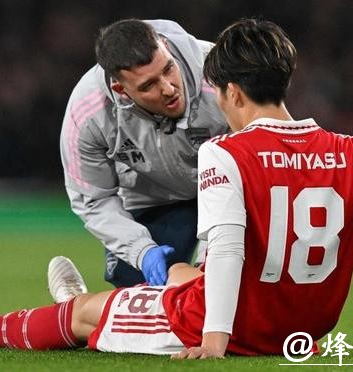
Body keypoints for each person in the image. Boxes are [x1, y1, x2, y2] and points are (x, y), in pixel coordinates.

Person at [0, 18, 353, 359]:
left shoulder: (225, 150)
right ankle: (109, 301)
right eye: (148, 83)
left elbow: (226, 252)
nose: (172, 87)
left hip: (238, 326)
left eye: (172, 73)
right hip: (302, 331)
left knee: (84, 317)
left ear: (230, 91)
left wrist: (214, 341)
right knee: (177, 274)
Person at [59, 19, 229, 288]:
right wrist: (142, 251)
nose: (169, 88)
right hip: (151, 198)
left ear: (165, 46)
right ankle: (75, 307)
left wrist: (213, 256)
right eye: (149, 85)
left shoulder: (223, 73)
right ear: (121, 90)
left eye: (168, 68)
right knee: (136, 288)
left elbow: (260, 150)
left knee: (225, 282)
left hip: (225, 192)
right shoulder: (87, 115)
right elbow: (93, 199)